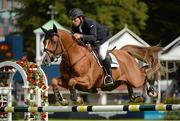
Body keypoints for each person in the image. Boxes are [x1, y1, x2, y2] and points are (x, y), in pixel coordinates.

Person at [68, 8, 114, 86]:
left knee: (102, 54)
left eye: (75, 19)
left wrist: (81, 35)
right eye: (72, 20)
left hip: (102, 39)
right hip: (90, 41)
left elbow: (93, 37)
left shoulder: (90, 22)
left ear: (81, 18)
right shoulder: (74, 27)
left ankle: (109, 76)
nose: (73, 22)